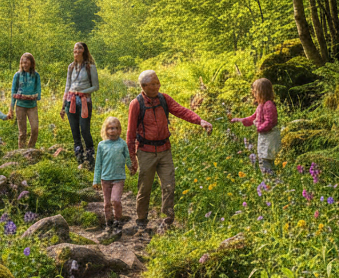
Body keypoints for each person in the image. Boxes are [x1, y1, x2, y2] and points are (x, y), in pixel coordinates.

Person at [126, 69, 213, 232]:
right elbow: (130, 133)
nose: (157, 86)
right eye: (153, 84)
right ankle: (141, 221)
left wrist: (200, 121)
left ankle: (167, 220)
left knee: (169, 185)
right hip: (145, 151)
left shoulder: (164, 98)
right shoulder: (136, 104)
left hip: (165, 150)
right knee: (145, 188)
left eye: (157, 82)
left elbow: (181, 111)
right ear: (143, 86)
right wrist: (131, 157)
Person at [61, 41, 99, 166]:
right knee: (74, 130)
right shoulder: (71, 66)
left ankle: (90, 156)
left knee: (84, 129)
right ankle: (79, 156)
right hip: (70, 100)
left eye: (79, 49)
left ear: (84, 50)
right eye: (74, 50)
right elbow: (67, 86)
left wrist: (82, 91)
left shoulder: (90, 67)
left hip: (84, 101)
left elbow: (95, 86)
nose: (76, 51)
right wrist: (63, 105)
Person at [93, 116, 131, 236]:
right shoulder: (102, 145)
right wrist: (96, 180)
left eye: (115, 128)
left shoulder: (122, 144)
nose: (112, 130)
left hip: (119, 177)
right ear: (105, 130)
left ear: (119, 130)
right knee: (107, 203)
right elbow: (98, 164)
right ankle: (109, 223)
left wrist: (131, 167)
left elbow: (128, 158)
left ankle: (118, 221)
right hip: (105, 178)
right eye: (109, 128)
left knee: (116, 200)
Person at [233, 77, 280, 174]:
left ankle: (271, 183)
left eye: (255, 91)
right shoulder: (260, 105)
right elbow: (252, 118)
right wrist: (239, 120)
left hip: (269, 137)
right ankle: (270, 183)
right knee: (263, 160)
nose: (253, 93)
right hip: (263, 137)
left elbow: (270, 122)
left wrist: (259, 127)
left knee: (266, 161)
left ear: (262, 91)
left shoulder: (269, 105)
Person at [9, 52, 42, 148]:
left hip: (32, 106)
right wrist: (11, 107)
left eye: (26, 62)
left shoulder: (36, 75)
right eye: (22, 63)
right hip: (20, 106)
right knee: (22, 132)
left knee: (35, 129)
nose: (24, 65)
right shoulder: (17, 75)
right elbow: (13, 91)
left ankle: (30, 148)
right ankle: (21, 151)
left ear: (31, 63)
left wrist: (35, 96)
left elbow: (38, 91)